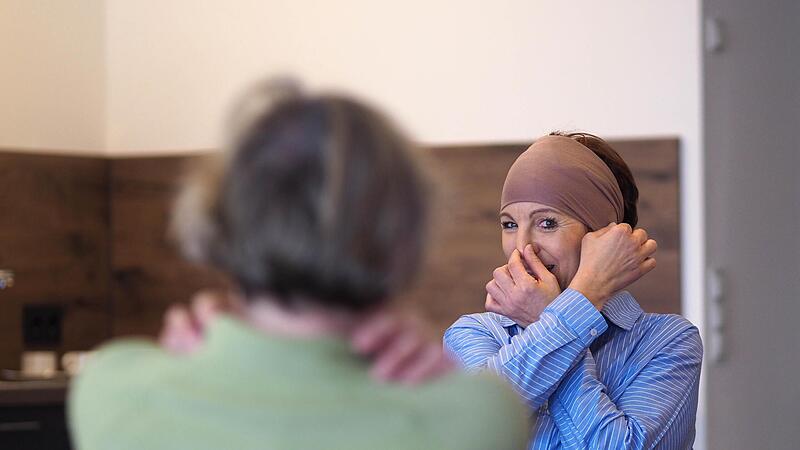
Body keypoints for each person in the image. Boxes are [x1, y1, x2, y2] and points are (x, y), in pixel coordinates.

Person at [68, 82, 529, 450]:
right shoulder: (481, 417)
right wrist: (444, 388)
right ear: (406, 243)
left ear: (218, 225)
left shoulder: (111, 389)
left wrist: (184, 366)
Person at [444, 133, 703, 449]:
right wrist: (574, 310)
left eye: (548, 223)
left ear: (605, 238)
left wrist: (549, 316)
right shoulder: (472, 334)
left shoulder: (670, 342)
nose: (522, 246)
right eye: (509, 224)